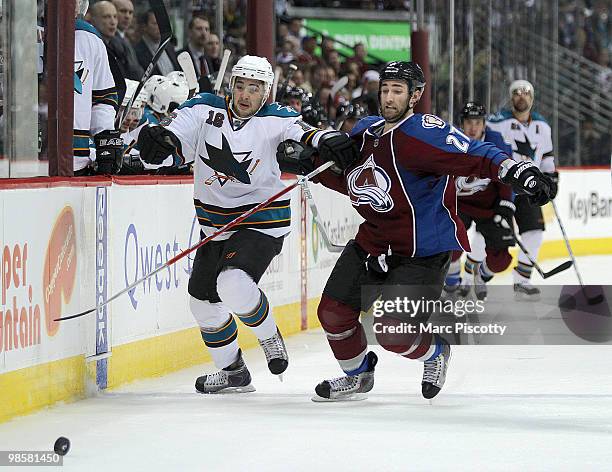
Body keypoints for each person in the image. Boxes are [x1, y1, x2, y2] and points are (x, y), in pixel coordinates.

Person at [277, 61, 552, 401]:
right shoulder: (366, 130)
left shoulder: (424, 131)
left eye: (398, 91)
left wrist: (517, 169)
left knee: (393, 333)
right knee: (333, 312)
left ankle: (436, 352)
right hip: (374, 242)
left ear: (415, 95)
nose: (389, 98)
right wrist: (311, 165)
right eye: (385, 90)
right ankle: (358, 375)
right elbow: (356, 183)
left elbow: (475, 153)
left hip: (423, 251)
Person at [136, 55, 357, 393]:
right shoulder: (204, 108)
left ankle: (269, 337)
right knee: (202, 303)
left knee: (234, 283)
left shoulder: (276, 118)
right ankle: (233, 371)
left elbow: (306, 133)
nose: (245, 95)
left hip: (262, 219)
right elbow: (174, 136)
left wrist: (326, 139)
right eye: (241, 86)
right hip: (215, 226)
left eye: (254, 88)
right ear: (232, 86)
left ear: (265, 92)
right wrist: (160, 143)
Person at [487, 80, 558, 299]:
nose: (521, 96)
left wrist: (551, 180)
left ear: (532, 98)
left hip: (529, 189)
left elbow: (547, 157)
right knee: (495, 241)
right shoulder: (497, 122)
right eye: (516, 93)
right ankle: (480, 276)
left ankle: (522, 280)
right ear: (511, 97)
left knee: (535, 233)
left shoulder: (542, 126)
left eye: (526, 92)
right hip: (502, 187)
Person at [443, 102, 515, 301]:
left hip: (489, 206)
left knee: (500, 260)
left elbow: (507, 175)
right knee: (448, 241)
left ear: (484, 124)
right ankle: (452, 279)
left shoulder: (496, 141)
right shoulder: (451, 141)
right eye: (468, 122)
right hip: (459, 205)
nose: (473, 127)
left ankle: (480, 273)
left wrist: (506, 205)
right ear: (461, 124)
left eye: (477, 122)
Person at [73, 0, 122, 175]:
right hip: (19, 158)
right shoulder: (17, 30)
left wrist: (105, 137)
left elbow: (104, 97)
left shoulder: (88, 37)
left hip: (75, 160)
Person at [134, 9, 180, 77]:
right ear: (144, 27)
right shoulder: (136, 52)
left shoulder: (169, 46)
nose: (160, 27)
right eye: (155, 23)